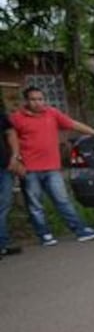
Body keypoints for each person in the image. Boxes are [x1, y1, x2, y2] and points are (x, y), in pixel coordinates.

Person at [9, 86, 94, 245]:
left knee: (63, 200)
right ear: (26, 101)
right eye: (33, 99)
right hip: (29, 169)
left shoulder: (52, 113)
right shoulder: (16, 118)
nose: (37, 102)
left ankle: (81, 230)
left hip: (52, 168)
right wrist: (16, 160)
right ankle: (44, 235)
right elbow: (10, 138)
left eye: (40, 99)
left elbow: (73, 124)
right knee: (35, 205)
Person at [1, 103, 23, 257]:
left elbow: (11, 133)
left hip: (4, 167)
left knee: (4, 205)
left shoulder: (1, 116)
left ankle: (3, 243)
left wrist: (15, 157)